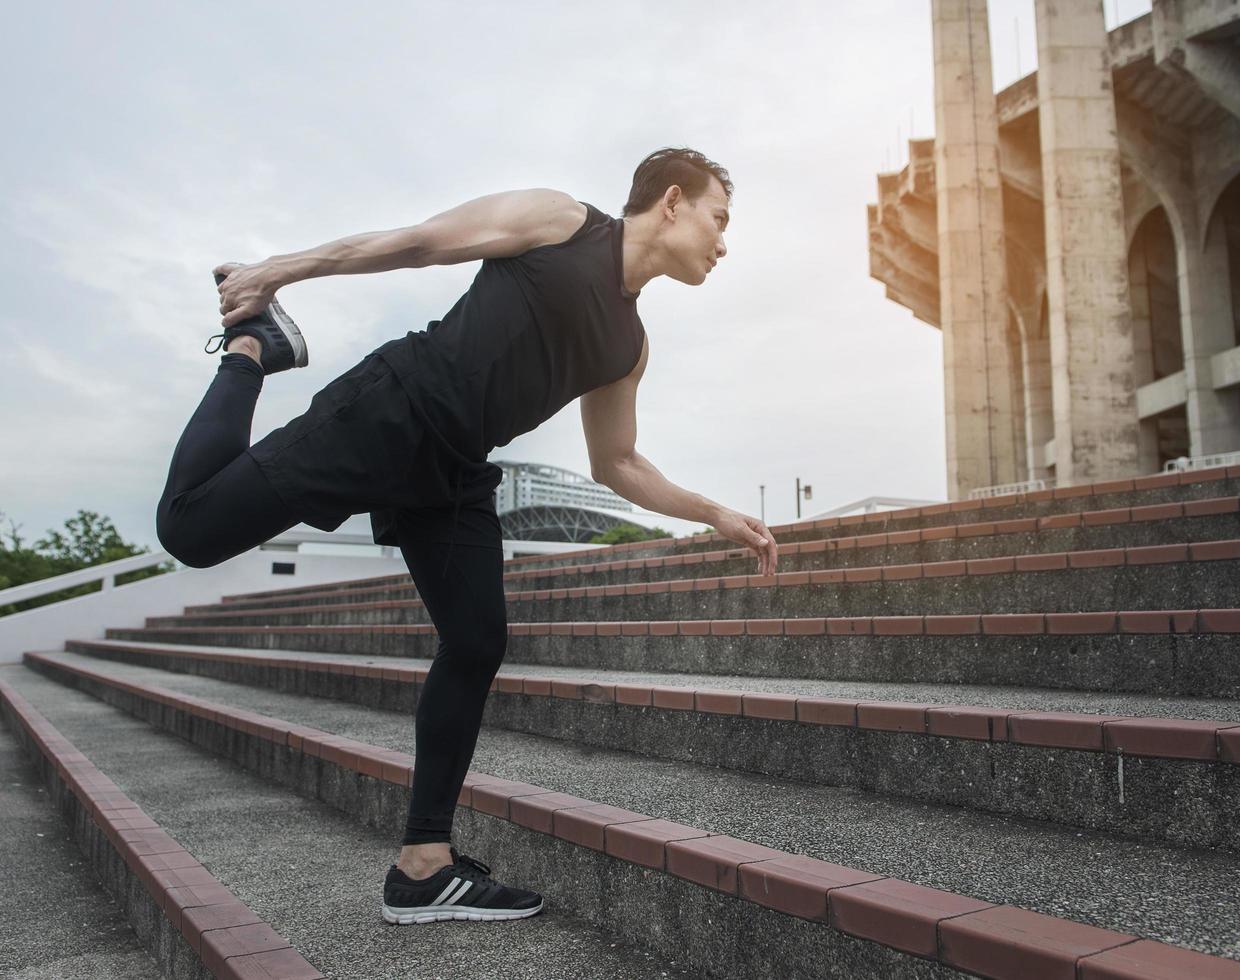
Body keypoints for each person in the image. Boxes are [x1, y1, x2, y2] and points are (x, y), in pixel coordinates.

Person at [155, 147, 781, 924]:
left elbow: (616, 462)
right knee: (191, 530)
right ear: (675, 201)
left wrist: (715, 512)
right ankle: (254, 347)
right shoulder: (563, 222)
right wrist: (279, 272)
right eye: (721, 220)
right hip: (392, 412)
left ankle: (424, 865)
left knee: (478, 639)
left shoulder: (629, 345)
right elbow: (422, 241)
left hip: (453, 473)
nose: (725, 243)